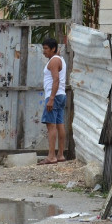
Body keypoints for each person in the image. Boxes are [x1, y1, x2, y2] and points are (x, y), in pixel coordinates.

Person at [38, 37, 67, 165]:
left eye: (46, 48)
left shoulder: (54, 61)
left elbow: (56, 79)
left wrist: (51, 99)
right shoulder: (59, 59)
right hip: (61, 95)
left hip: (54, 96)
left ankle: (51, 156)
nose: (44, 51)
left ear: (53, 49)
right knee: (59, 124)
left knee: (51, 126)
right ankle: (60, 155)